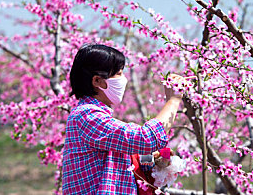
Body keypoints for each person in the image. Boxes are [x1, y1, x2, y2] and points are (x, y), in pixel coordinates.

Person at [62, 43, 183, 194]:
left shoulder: (96, 116)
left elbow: (119, 158)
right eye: (118, 73)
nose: (123, 79)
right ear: (97, 81)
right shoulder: (86, 116)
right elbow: (145, 139)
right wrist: (173, 100)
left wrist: (152, 159)